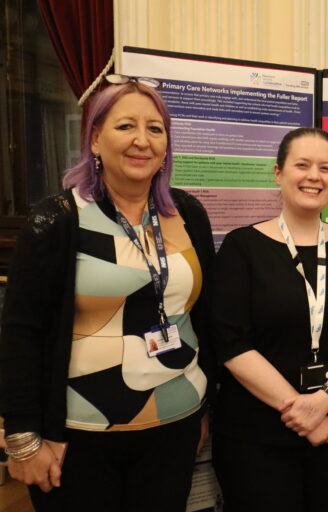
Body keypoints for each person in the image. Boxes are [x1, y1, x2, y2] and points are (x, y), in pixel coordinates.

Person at [0, 76, 216, 511]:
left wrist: (206, 407)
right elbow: (21, 332)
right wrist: (22, 438)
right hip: (80, 431)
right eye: (126, 126)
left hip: (175, 421)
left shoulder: (187, 213)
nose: (142, 140)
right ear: (95, 140)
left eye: (155, 129)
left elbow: (205, 315)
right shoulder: (58, 219)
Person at [210, 127, 328, 512]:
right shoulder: (242, 247)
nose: (314, 176)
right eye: (302, 165)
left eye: (326, 168)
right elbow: (230, 342)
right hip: (257, 435)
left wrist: (325, 399)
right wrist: (302, 411)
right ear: (278, 173)